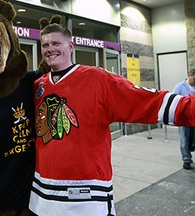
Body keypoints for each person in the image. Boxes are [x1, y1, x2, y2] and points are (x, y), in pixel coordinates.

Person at [29, 23, 195, 216]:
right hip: (42, 197)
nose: (50, 49)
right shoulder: (38, 86)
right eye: (45, 45)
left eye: (56, 43)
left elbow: (148, 101)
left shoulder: (97, 79)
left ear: (71, 46)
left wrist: (189, 108)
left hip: (86, 197)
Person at [172, 69, 195, 169]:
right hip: (184, 118)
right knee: (184, 139)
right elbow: (174, 99)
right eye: (194, 78)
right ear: (189, 76)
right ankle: (186, 159)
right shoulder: (179, 87)